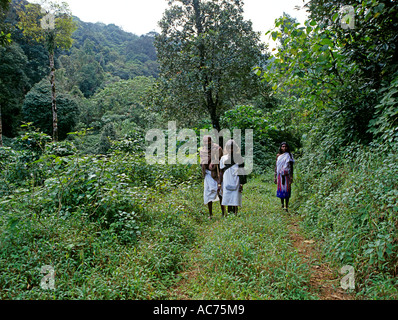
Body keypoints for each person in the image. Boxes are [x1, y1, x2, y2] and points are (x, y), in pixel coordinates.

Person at [199, 135, 225, 219]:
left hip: (217, 174)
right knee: (208, 193)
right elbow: (202, 162)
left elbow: (223, 160)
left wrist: (215, 161)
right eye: (205, 141)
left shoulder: (218, 149)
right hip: (208, 174)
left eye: (209, 141)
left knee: (220, 192)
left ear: (211, 141)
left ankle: (223, 213)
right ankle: (210, 214)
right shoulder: (202, 150)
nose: (207, 143)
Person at [219, 139, 244, 216]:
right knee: (227, 196)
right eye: (229, 148)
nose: (231, 149)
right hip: (226, 179)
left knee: (235, 196)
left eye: (232, 148)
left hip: (236, 179)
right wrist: (219, 183)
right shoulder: (223, 158)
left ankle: (235, 212)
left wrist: (241, 183)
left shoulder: (239, 158)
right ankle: (229, 212)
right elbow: (221, 171)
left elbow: (242, 172)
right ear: (226, 148)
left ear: (235, 148)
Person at [274, 142, 295, 212]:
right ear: (280, 147)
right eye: (283, 146)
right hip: (280, 175)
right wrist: (275, 176)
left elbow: (291, 167)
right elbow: (276, 166)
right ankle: (282, 205)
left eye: (285, 146)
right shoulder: (278, 155)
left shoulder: (289, 155)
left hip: (287, 175)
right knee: (281, 189)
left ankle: (287, 206)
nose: (284, 148)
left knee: (287, 190)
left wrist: (291, 176)